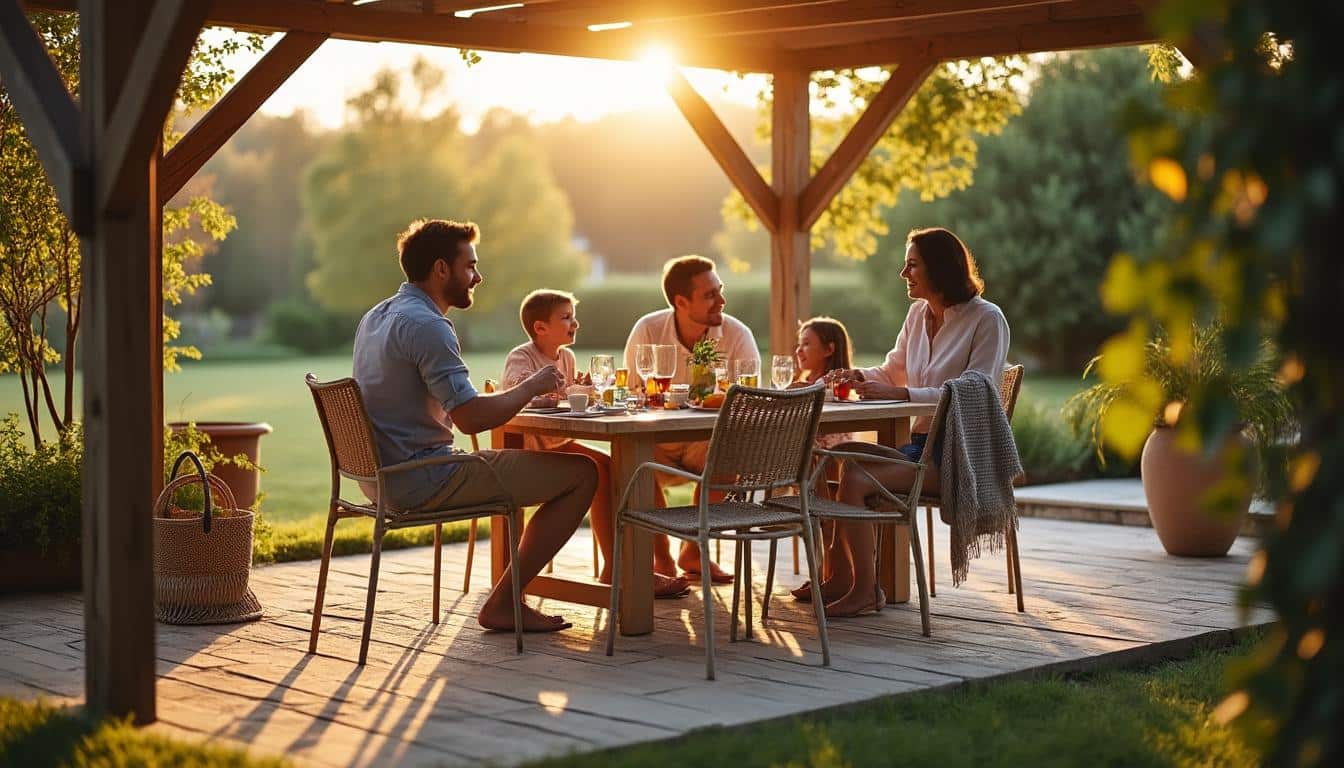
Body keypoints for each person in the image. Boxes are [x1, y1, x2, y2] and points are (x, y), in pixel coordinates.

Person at [352, 219, 598, 633]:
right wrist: (534, 384)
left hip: (377, 478)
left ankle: (510, 596)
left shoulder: (377, 316)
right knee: (582, 473)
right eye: (470, 266)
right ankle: (504, 602)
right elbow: (471, 417)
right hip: (422, 477)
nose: (478, 277)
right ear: (441, 269)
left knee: (529, 465)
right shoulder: (427, 324)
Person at [821, 227, 1010, 617]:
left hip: (958, 458)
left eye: (912, 265)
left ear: (939, 269)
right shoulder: (917, 314)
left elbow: (975, 393)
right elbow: (893, 371)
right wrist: (859, 376)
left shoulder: (987, 320)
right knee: (835, 457)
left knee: (857, 478)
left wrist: (902, 396)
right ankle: (838, 575)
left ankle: (866, 591)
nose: (903, 274)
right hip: (919, 448)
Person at [501, 290, 689, 598]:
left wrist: (582, 388)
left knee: (611, 465)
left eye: (574, 316)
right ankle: (618, 566)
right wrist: (553, 391)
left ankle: (616, 564)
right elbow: (516, 396)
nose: (575, 323)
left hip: (557, 442)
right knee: (598, 468)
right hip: (529, 447)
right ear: (540, 328)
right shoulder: (522, 357)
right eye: (566, 317)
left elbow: (566, 397)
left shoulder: (567, 357)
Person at [623, 255, 760, 584]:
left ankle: (694, 552)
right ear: (681, 302)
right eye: (710, 295)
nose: (722, 301)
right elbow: (632, 391)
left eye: (720, 290)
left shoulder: (737, 335)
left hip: (706, 443)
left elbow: (751, 401)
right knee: (632, 457)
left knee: (729, 451)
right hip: (657, 441)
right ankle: (660, 561)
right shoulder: (649, 329)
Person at [785, 316, 856, 601]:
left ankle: (831, 575)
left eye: (806, 345)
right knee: (814, 485)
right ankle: (826, 575)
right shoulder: (807, 384)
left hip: (833, 468)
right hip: (814, 470)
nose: (799, 351)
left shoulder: (829, 388)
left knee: (819, 490)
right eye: (798, 345)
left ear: (828, 349)